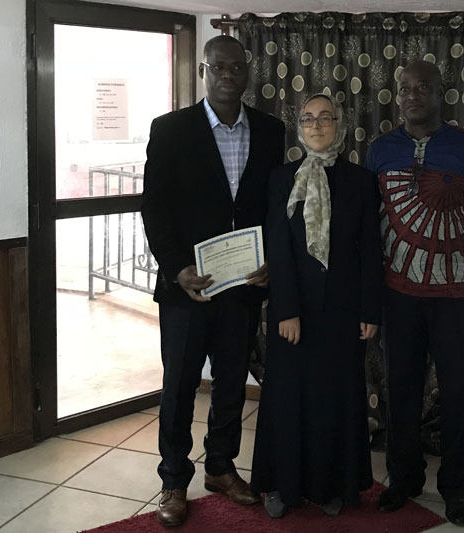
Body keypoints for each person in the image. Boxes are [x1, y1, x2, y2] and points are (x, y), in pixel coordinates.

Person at [141, 35, 285, 528]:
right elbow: (154, 207)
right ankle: (173, 480)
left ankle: (221, 468)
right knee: (180, 386)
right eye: (218, 67)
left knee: (231, 382)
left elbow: (273, 205)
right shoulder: (170, 129)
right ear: (203, 71)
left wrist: (272, 260)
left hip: (242, 285)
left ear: (248, 72)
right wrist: (176, 267)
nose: (228, 75)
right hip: (188, 287)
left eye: (236, 67)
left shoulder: (270, 129)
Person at [365, 61, 464, 527]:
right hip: (396, 294)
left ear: (441, 93)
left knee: (459, 394)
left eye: (422, 87)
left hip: (458, 295)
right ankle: (404, 479)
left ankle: (454, 486)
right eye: (405, 88)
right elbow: (365, 224)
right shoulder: (380, 151)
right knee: (400, 389)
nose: (412, 95)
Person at [250, 93, 383, 518]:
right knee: (286, 399)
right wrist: (286, 309)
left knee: (334, 400)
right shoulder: (281, 179)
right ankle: (280, 485)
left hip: (343, 313)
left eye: (326, 117)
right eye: (308, 118)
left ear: (340, 124)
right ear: (299, 127)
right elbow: (278, 248)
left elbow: (370, 250)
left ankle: (329, 485)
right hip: (294, 312)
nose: (317, 125)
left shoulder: (360, 181)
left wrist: (370, 311)